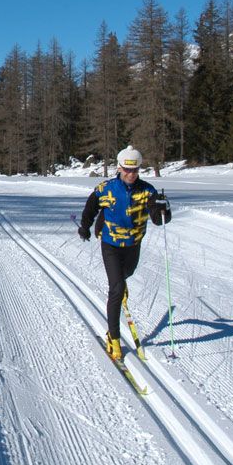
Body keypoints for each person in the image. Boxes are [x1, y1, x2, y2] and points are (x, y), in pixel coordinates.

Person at [77, 145, 171, 361]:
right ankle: (114, 337)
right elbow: (91, 207)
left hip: (133, 244)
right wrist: (85, 226)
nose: (131, 174)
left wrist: (164, 209)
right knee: (116, 288)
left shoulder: (148, 192)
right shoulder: (106, 188)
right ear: (119, 168)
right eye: (127, 170)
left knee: (126, 274)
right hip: (110, 242)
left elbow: (158, 220)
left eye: (135, 170)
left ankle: (121, 282)